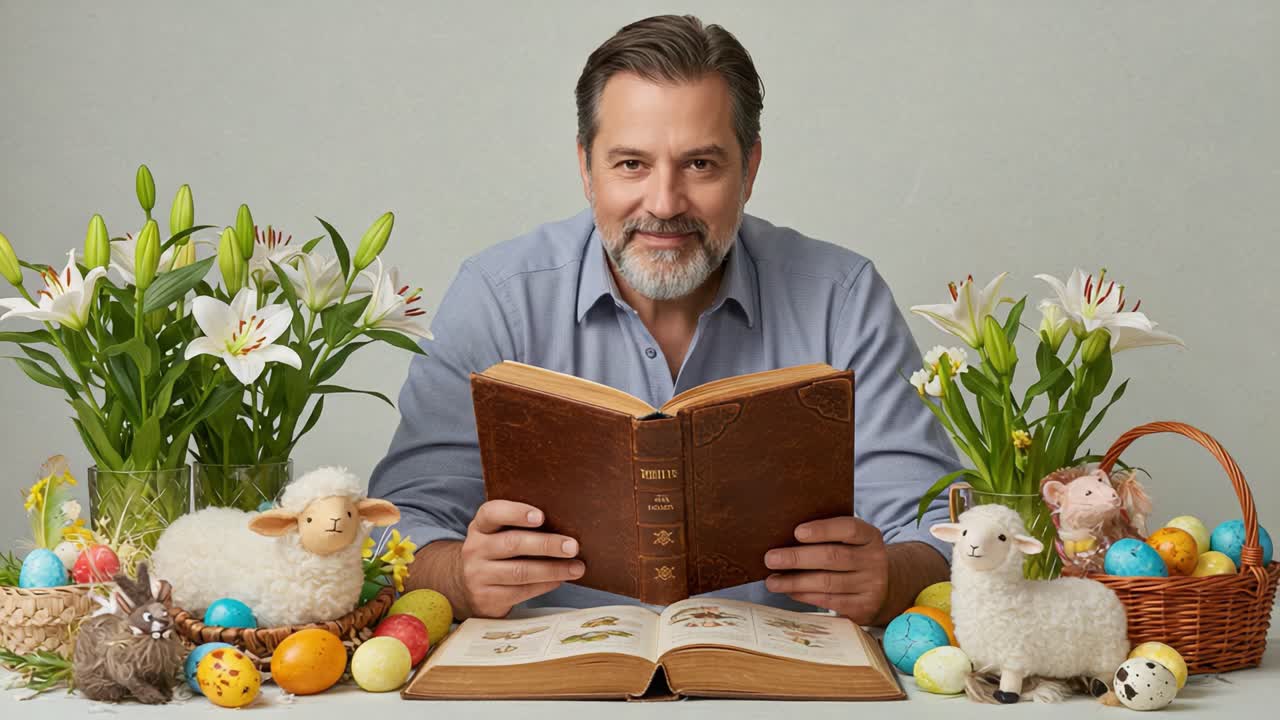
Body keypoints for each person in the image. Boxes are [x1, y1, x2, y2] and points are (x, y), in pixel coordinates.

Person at [370, 14, 959, 626]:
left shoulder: (843, 297)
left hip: (785, 687)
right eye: (631, 164)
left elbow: (944, 522)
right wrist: (459, 576)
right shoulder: (497, 296)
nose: (664, 203)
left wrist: (890, 575)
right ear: (585, 167)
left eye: (701, 164)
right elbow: (394, 523)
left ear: (749, 169)